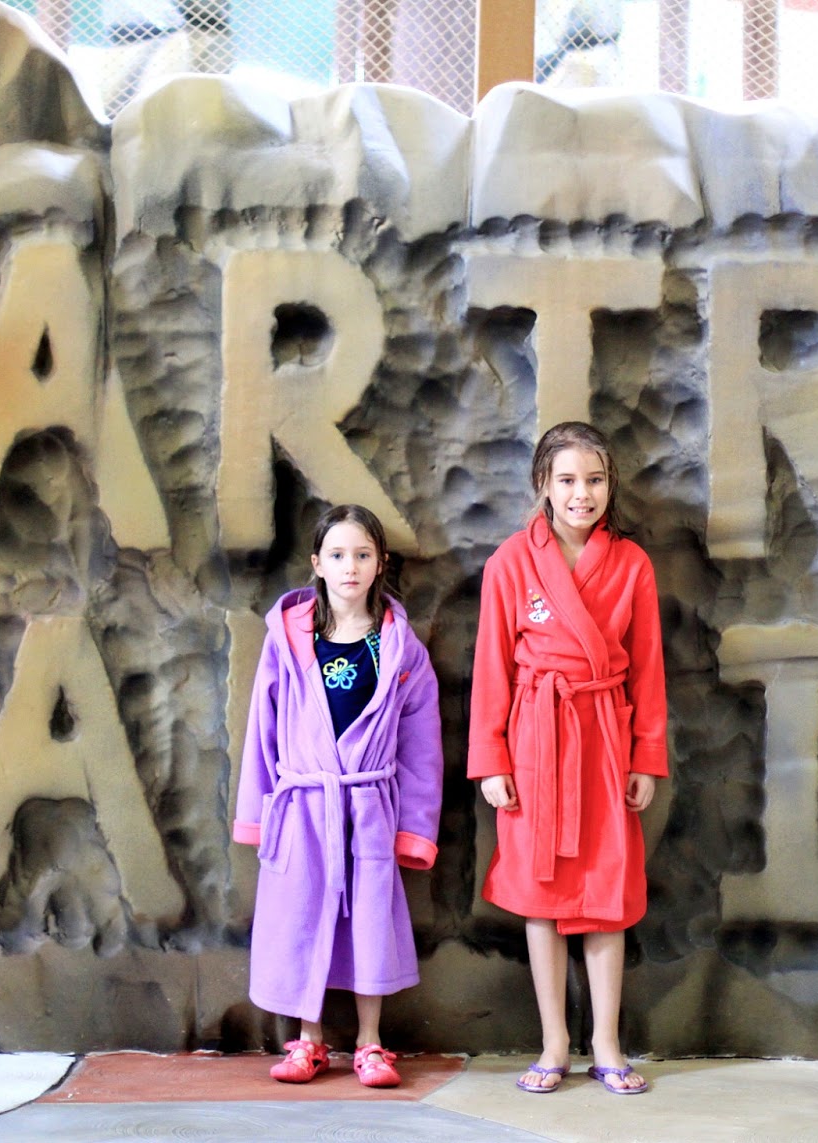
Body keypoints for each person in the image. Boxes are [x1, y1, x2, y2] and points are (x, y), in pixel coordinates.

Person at [469, 421, 668, 1095]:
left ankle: (607, 1042)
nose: (582, 493)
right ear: (543, 485)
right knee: (541, 894)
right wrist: (492, 760)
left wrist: (646, 757)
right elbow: (492, 668)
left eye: (595, 480)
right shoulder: (510, 562)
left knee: (607, 892)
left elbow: (648, 671)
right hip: (536, 739)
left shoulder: (632, 564)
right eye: (568, 480)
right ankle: (554, 1042)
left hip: (605, 736)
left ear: (610, 486)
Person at [233, 504, 444, 1088]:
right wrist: (258, 815)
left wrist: (414, 828)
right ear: (317, 564)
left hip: (369, 804)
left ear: (380, 564)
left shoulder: (398, 648)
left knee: (370, 922)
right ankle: (309, 1040)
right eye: (338, 555)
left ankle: (371, 1043)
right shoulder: (289, 641)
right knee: (303, 917)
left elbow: (421, 746)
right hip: (304, 806)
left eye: (362, 555)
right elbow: (262, 729)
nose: (350, 566)